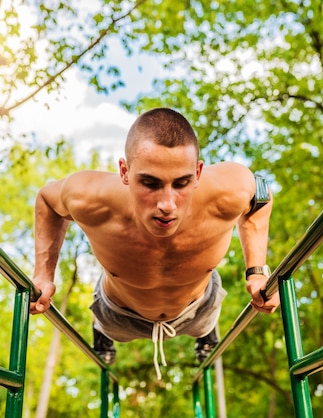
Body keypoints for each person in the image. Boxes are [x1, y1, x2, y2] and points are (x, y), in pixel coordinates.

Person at [31, 107, 279, 379]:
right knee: (107, 326)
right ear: (124, 171)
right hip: (117, 314)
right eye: (150, 183)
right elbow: (47, 200)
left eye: (182, 183)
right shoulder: (91, 197)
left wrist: (257, 271)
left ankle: (206, 335)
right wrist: (43, 275)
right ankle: (101, 333)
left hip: (199, 307)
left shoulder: (229, 190)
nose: (167, 205)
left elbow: (261, 198)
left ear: (197, 173)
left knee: (204, 324)